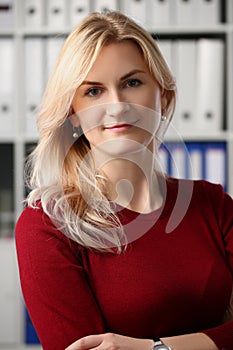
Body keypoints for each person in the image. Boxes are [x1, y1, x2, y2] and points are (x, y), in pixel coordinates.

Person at [15, 11, 233, 350]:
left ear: (164, 96)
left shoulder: (214, 205)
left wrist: (154, 348)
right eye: (93, 91)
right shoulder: (47, 225)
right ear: (72, 113)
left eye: (132, 83)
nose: (116, 107)